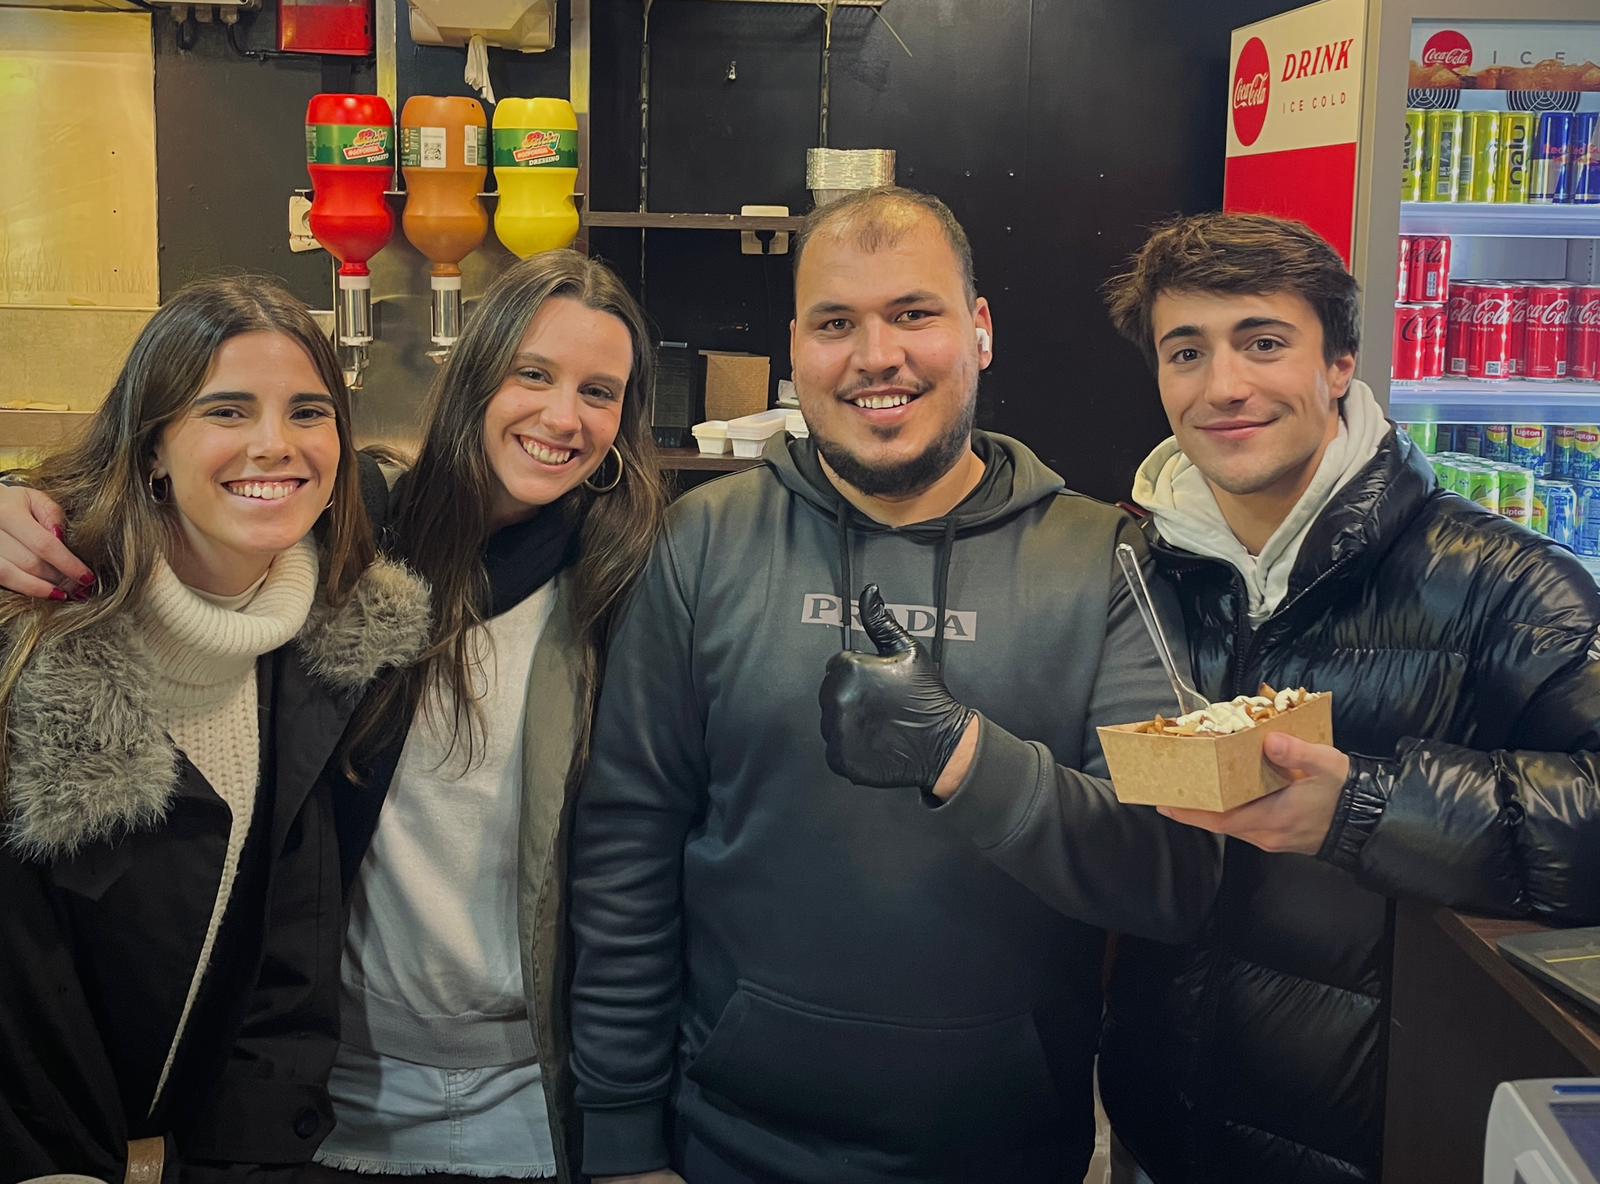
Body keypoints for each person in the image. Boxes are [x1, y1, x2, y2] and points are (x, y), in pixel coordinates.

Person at [567, 186, 1220, 1184]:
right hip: (731, 1147)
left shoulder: (1101, 560)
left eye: (913, 313)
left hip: (1003, 1153)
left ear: (979, 331)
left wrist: (959, 754)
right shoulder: (702, 542)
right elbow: (625, 849)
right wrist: (618, 1140)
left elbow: (1168, 872)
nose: (877, 355)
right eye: (837, 323)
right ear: (797, 350)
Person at [0, 250, 667, 1184]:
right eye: (533, 374)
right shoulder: (354, 544)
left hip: (531, 1103)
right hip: (322, 1103)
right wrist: (21, 505)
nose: (564, 416)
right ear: (477, 376)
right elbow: (160, 520)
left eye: (600, 392)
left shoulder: (632, 590)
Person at [1094, 211, 1600, 1184]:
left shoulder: (1505, 585)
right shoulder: (1133, 570)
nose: (1223, 385)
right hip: (1155, 1130)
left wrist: (1366, 807)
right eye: (1185, 350)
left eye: (1263, 341)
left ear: (1340, 364)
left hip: (1385, 1141)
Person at [0, 275, 432, 1183]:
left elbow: (285, 969)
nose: (275, 445)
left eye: (309, 412)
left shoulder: (328, 645)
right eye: (227, 410)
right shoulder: (33, 639)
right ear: (153, 446)